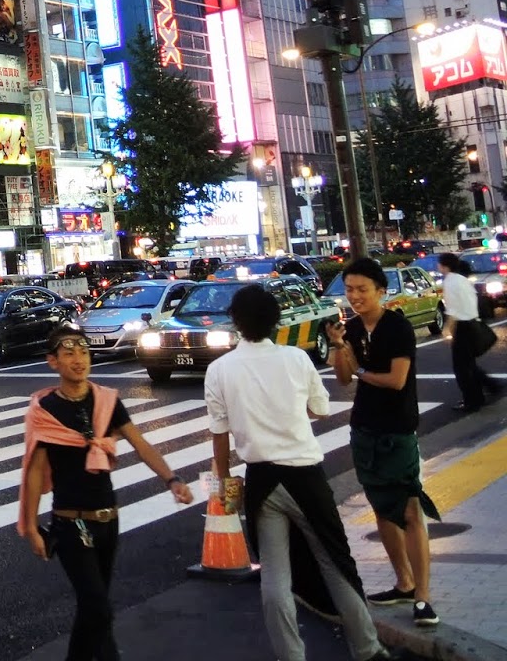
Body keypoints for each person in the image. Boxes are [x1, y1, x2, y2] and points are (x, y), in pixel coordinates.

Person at [206, 284, 401, 661]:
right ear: (275, 320)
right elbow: (321, 410)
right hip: (305, 476)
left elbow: (219, 434)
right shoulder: (296, 358)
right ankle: (367, 648)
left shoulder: (219, 370)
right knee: (335, 562)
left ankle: (290, 655)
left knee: (274, 575)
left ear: (236, 322)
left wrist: (224, 484)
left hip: (261, 480)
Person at [19, 326, 192, 660]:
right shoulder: (45, 410)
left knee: (94, 611)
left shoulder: (107, 402)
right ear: (53, 362)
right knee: (97, 607)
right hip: (70, 523)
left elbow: (140, 443)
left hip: (108, 519)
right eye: (69, 353)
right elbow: (35, 470)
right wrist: (30, 526)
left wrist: (171, 479)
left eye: (83, 352)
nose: (79, 359)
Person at [331, 258, 441, 626]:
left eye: (362, 289)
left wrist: (360, 370)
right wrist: (339, 347)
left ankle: (423, 597)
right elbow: (343, 379)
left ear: (381, 291)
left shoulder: (397, 327)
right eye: (349, 289)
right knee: (382, 508)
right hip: (365, 428)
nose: (355, 296)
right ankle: (404, 583)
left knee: (410, 509)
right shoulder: (351, 328)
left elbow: (396, 380)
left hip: (397, 428)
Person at [437, 252, 499, 413]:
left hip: (462, 327)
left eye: (440, 264)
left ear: (445, 266)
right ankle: (487, 389)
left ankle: (472, 400)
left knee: (461, 368)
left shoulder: (450, 282)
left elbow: (453, 310)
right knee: (468, 364)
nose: (438, 266)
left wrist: (447, 329)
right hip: (473, 323)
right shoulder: (462, 280)